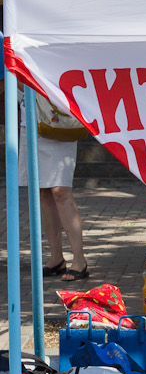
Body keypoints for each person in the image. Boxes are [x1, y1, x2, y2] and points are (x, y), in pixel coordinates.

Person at [19, 93, 89, 281]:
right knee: (42, 190)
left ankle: (79, 260)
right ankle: (56, 258)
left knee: (60, 190)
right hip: (30, 119)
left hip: (56, 115)